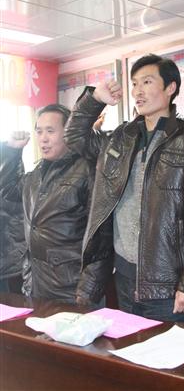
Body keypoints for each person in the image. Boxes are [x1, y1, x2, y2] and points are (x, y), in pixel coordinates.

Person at [65, 54, 184, 323]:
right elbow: (74, 137)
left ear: (170, 87)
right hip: (124, 277)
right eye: (135, 83)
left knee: (172, 350)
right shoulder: (121, 138)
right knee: (132, 346)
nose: (138, 91)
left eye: (147, 82)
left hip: (170, 284)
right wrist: (95, 99)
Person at [0, 104, 94, 302]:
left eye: (50, 131)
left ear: (68, 132)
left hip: (72, 288)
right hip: (36, 284)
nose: (43, 138)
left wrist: (88, 288)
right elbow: (9, 193)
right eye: (39, 131)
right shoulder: (37, 174)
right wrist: (13, 152)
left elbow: (99, 236)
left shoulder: (86, 170)